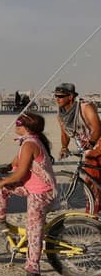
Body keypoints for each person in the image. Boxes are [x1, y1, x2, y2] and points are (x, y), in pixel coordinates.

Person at [0, 112, 57, 276]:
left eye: (18, 122)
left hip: (41, 194)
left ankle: (33, 268)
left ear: (27, 127)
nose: (15, 125)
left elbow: (20, 173)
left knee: (33, 230)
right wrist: (4, 168)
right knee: (1, 189)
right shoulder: (27, 141)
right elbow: (16, 163)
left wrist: (4, 180)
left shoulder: (30, 144)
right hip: (33, 188)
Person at [55, 82, 101, 215]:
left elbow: (97, 127)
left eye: (61, 96)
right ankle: (93, 210)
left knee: (93, 180)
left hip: (97, 145)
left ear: (71, 97)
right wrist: (64, 147)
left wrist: (91, 142)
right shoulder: (61, 115)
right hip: (86, 148)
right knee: (91, 180)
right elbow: (65, 133)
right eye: (56, 96)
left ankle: (93, 212)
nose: (57, 99)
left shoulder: (85, 107)